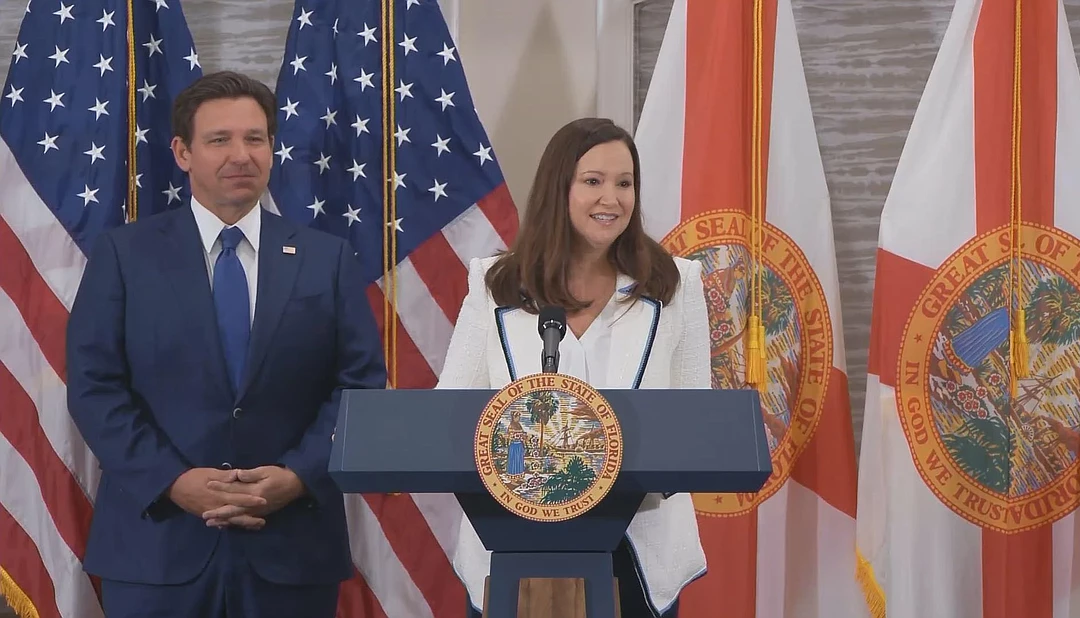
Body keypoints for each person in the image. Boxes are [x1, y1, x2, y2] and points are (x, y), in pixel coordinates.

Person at [65, 71, 387, 618]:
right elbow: (96, 388)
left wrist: (298, 475)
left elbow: (360, 383)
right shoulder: (124, 255)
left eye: (255, 139)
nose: (241, 154)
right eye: (220, 140)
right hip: (158, 548)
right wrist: (172, 481)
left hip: (291, 547)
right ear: (182, 152)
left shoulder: (325, 258)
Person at [436, 117, 711, 617]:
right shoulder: (495, 284)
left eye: (624, 183)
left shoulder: (678, 285)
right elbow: (450, 412)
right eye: (593, 182)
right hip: (511, 549)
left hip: (638, 547)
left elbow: (694, 420)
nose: (612, 198)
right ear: (557, 189)